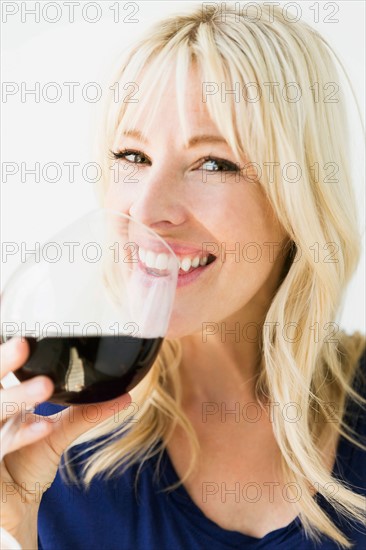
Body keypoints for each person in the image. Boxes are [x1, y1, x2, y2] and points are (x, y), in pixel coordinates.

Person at [1, 3, 365, 549]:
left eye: (213, 164)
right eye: (132, 155)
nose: (147, 210)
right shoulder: (44, 437)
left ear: (297, 201)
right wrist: (13, 528)